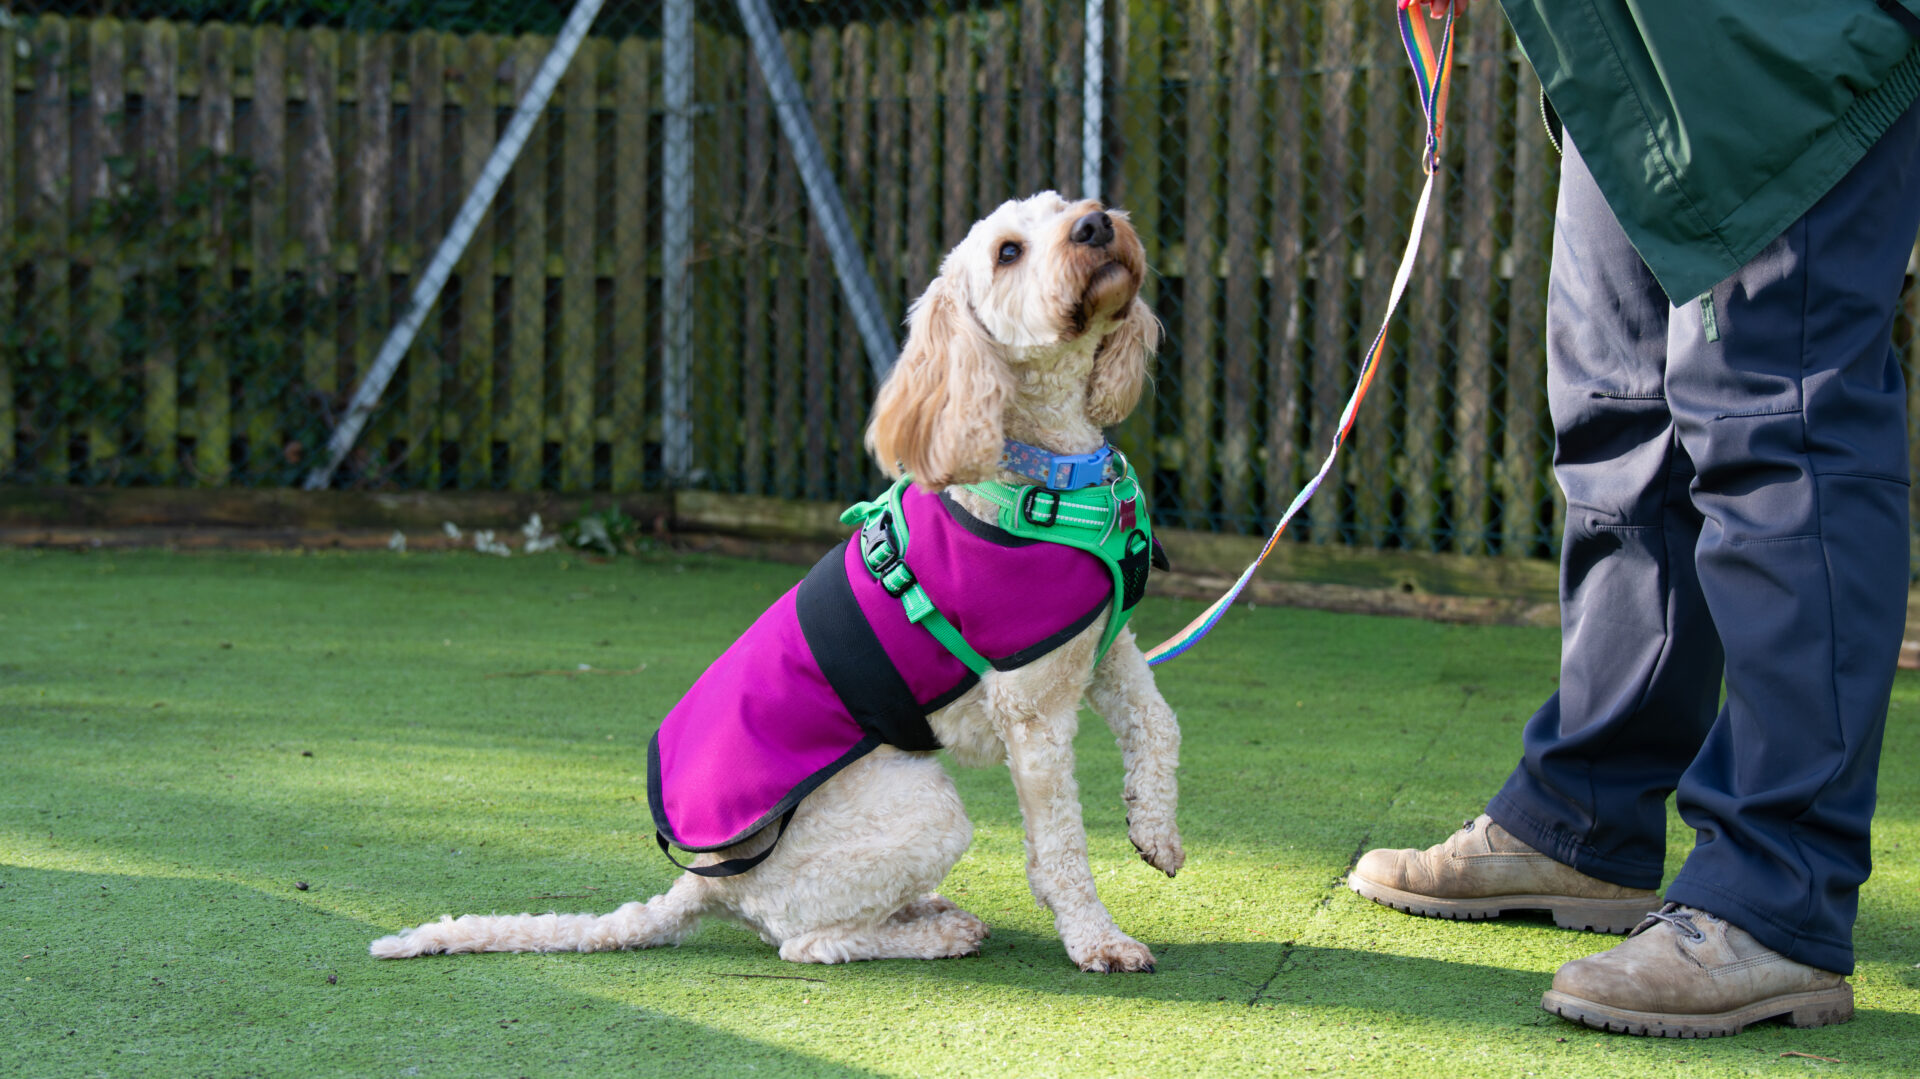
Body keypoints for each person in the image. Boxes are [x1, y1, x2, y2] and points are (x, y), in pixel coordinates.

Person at [1351, 0, 1920, 1038]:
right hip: (1630, 46)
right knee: (1619, 412)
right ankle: (1587, 811)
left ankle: (1776, 894)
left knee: (1777, 415)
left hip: (1781, 39)